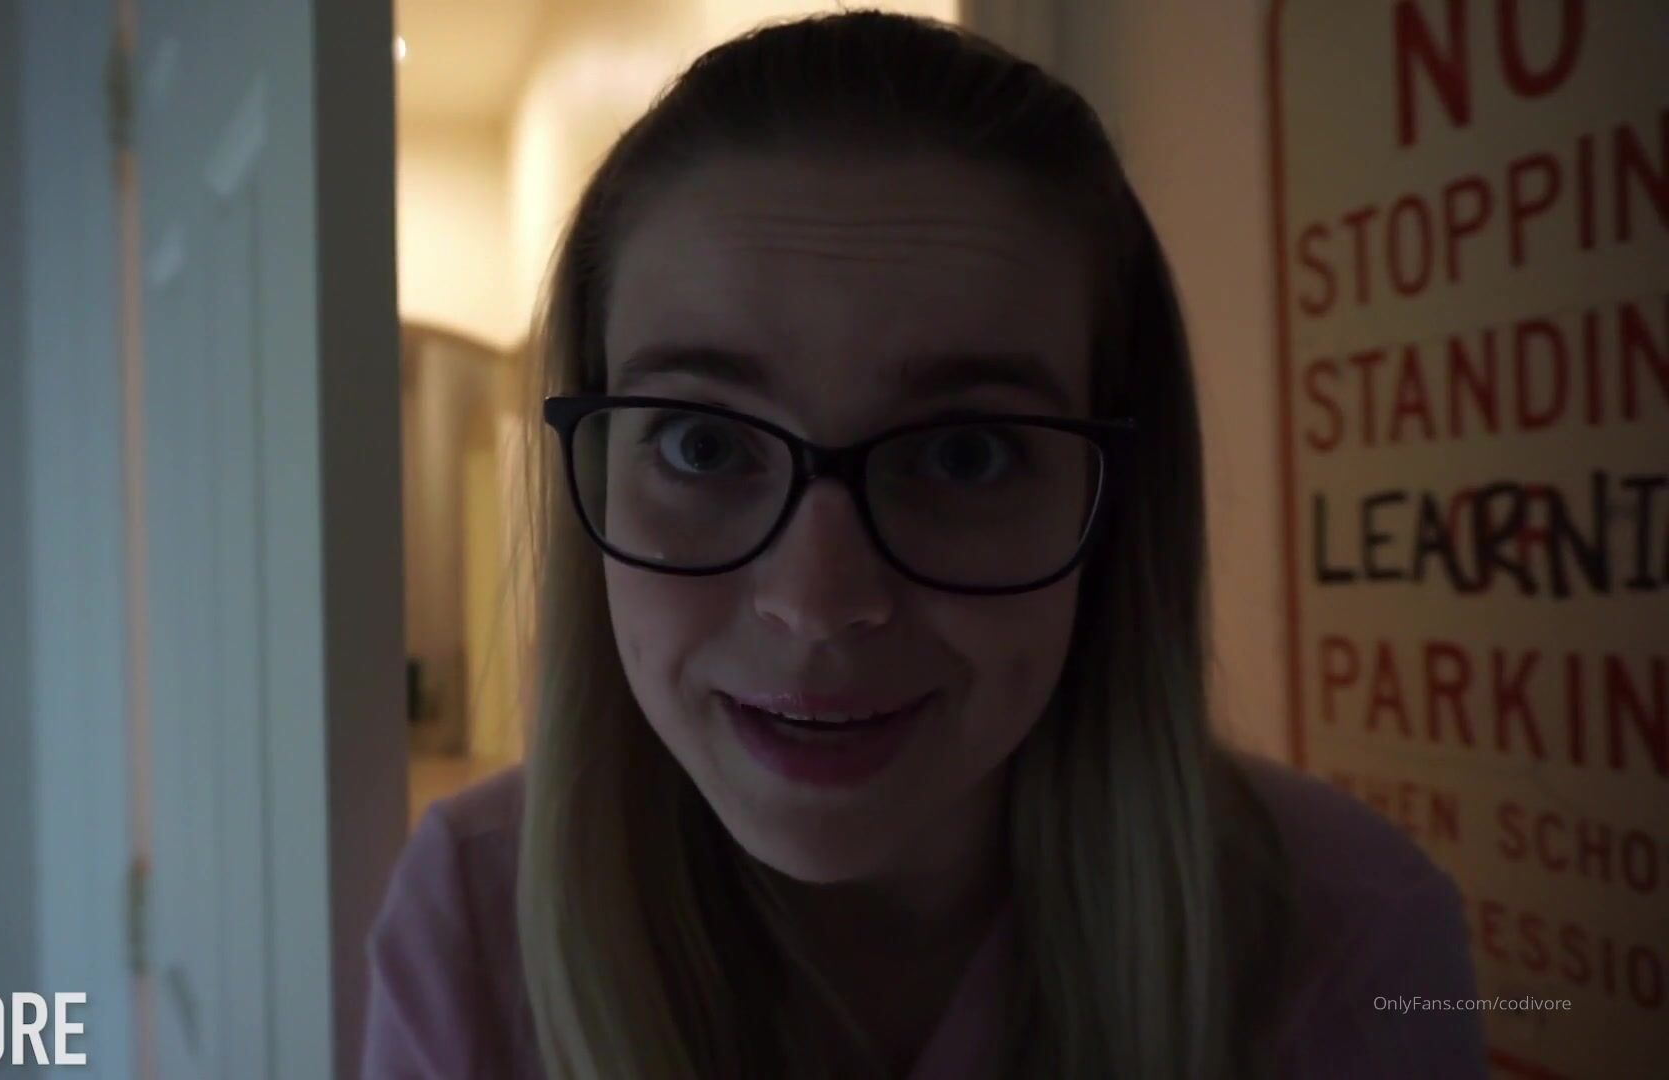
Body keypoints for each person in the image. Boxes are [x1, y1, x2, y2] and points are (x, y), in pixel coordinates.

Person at [363, 12, 1486, 1079]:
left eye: (963, 455)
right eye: (705, 446)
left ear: (1115, 503)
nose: (818, 601)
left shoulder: (1354, 935)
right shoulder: (471, 919)